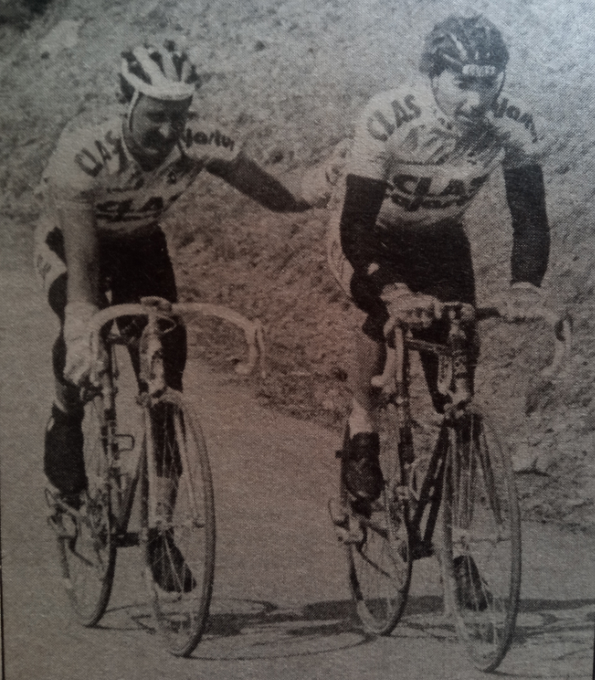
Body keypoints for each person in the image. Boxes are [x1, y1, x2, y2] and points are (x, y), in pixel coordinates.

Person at [35, 40, 308, 591]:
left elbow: (278, 195)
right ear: (128, 101)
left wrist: (327, 183)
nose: (168, 130)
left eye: (179, 116)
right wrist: (82, 325)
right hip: (72, 245)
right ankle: (65, 425)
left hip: (141, 246)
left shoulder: (202, 141)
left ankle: (160, 526)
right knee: (80, 344)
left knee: (165, 377)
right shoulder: (84, 151)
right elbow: (84, 267)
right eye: (156, 115)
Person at [309, 15, 551, 503]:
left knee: (456, 345)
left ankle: (453, 510)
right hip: (369, 233)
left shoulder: (514, 122)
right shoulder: (389, 116)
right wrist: (392, 289)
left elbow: (529, 217)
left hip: (439, 237)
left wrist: (526, 284)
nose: (477, 100)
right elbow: (355, 226)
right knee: (385, 313)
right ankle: (362, 423)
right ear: (433, 74)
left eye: (489, 84)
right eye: (462, 84)